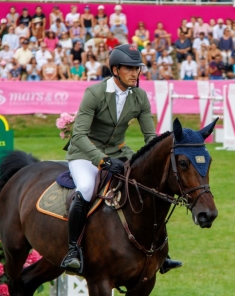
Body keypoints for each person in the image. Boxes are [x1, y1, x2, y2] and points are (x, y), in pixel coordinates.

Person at [60, 44, 182, 274]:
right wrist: (103, 161)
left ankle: (160, 252)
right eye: (130, 68)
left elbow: (150, 137)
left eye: (138, 69)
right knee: (86, 188)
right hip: (85, 152)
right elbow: (79, 135)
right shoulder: (94, 94)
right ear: (115, 70)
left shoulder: (139, 96)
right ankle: (73, 249)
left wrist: (156, 161)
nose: (136, 73)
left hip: (119, 151)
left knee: (147, 186)